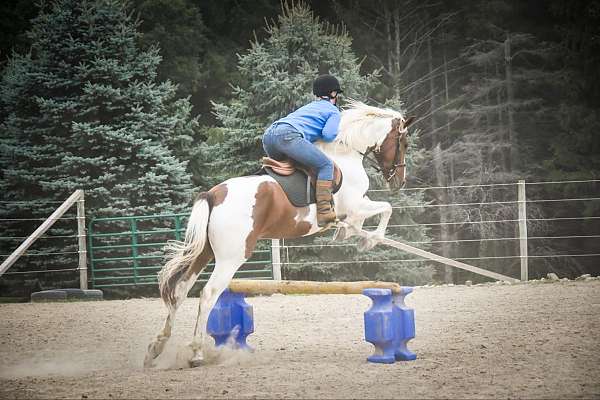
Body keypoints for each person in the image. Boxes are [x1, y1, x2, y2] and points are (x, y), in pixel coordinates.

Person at [262, 74, 342, 227]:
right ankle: (324, 211)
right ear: (333, 93)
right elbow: (328, 135)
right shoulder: (333, 111)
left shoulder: (308, 107)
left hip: (268, 137)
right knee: (326, 165)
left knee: (294, 167)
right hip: (287, 136)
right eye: (336, 94)